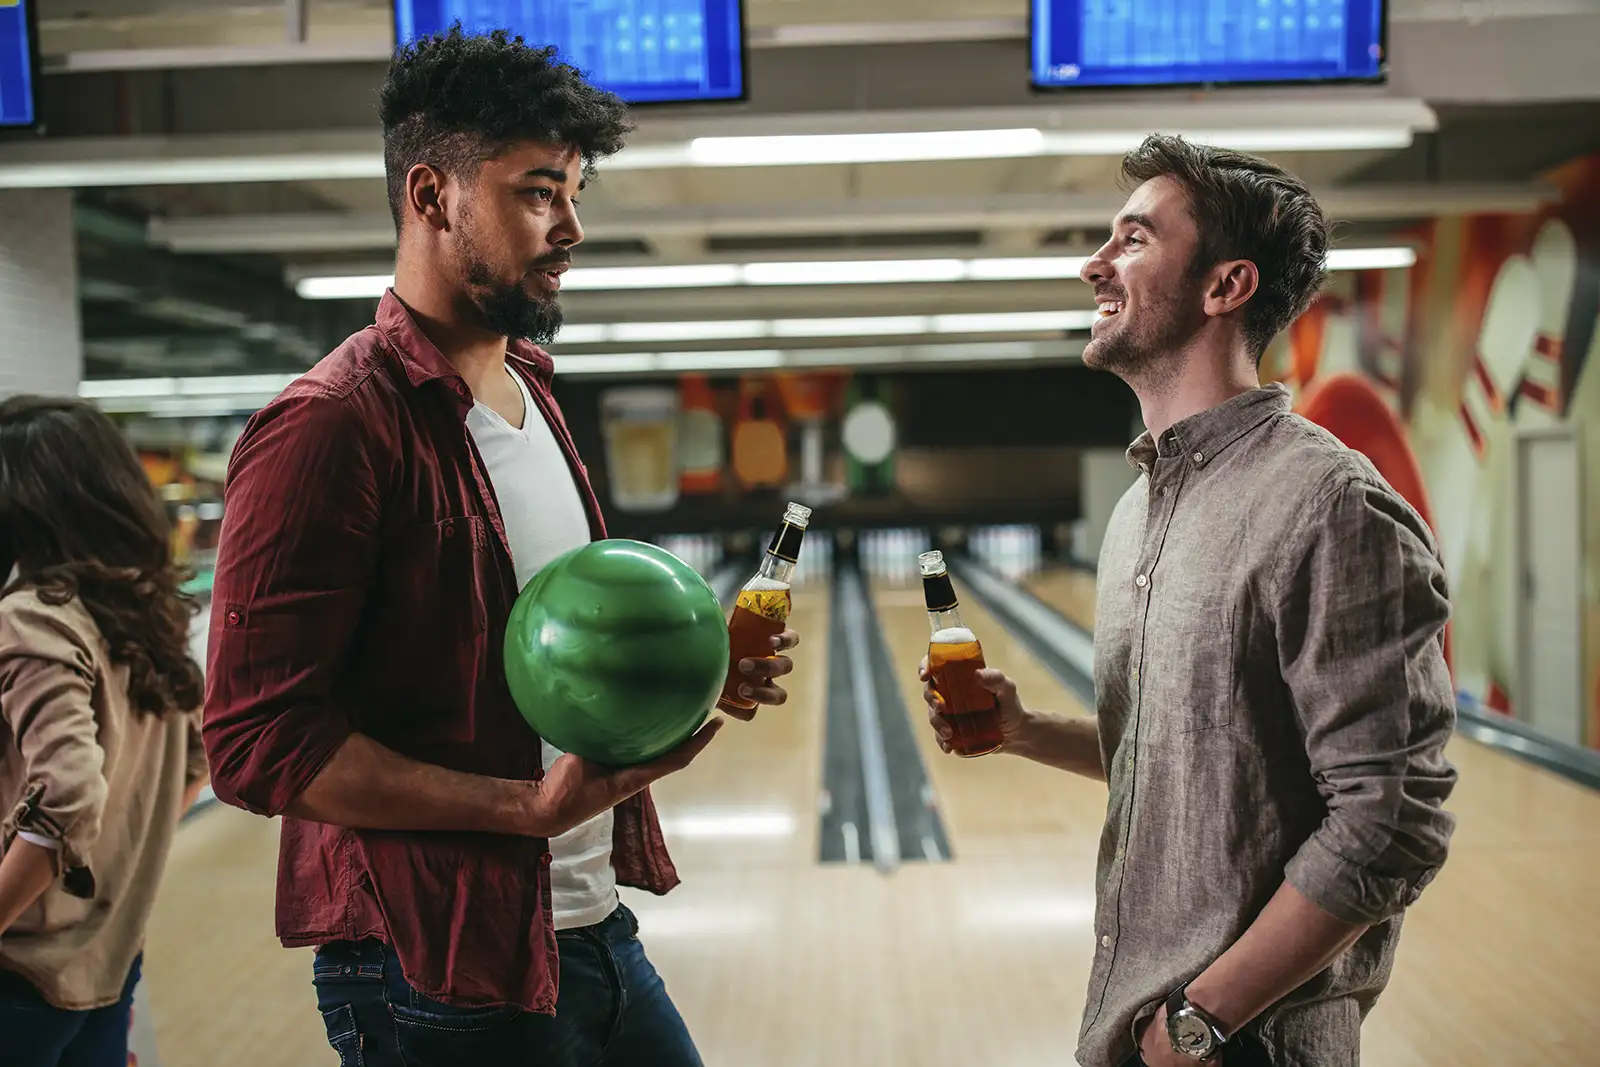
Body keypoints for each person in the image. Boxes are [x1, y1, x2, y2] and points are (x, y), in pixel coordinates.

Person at [201, 26, 798, 1067]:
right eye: (537, 192)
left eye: (573, 192)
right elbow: (256, 743)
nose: (571, 225)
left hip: (588, 927)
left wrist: (692, 667)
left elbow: (531, 663)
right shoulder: (332, 424)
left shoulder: (529, 390)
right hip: (434, 966)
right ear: (432, 196)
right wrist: (521, 809)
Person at [921, 135, 1458, 1067]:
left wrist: (1198, 1022)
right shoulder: (1139, 510)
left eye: (1132, 239)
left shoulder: (1331, 507)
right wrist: (1024, 729)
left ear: (1225, 287)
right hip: (1132, 1021)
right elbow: (1206, 763)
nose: (1093, 263)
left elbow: (1390, 821)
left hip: (1241, 1040)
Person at [0, 395, 210, 1067]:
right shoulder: (142, 614)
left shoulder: (33, 617)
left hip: (19, 973)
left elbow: (66, 796)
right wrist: (122, 851)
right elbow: (200, 758)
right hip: (110, 960)